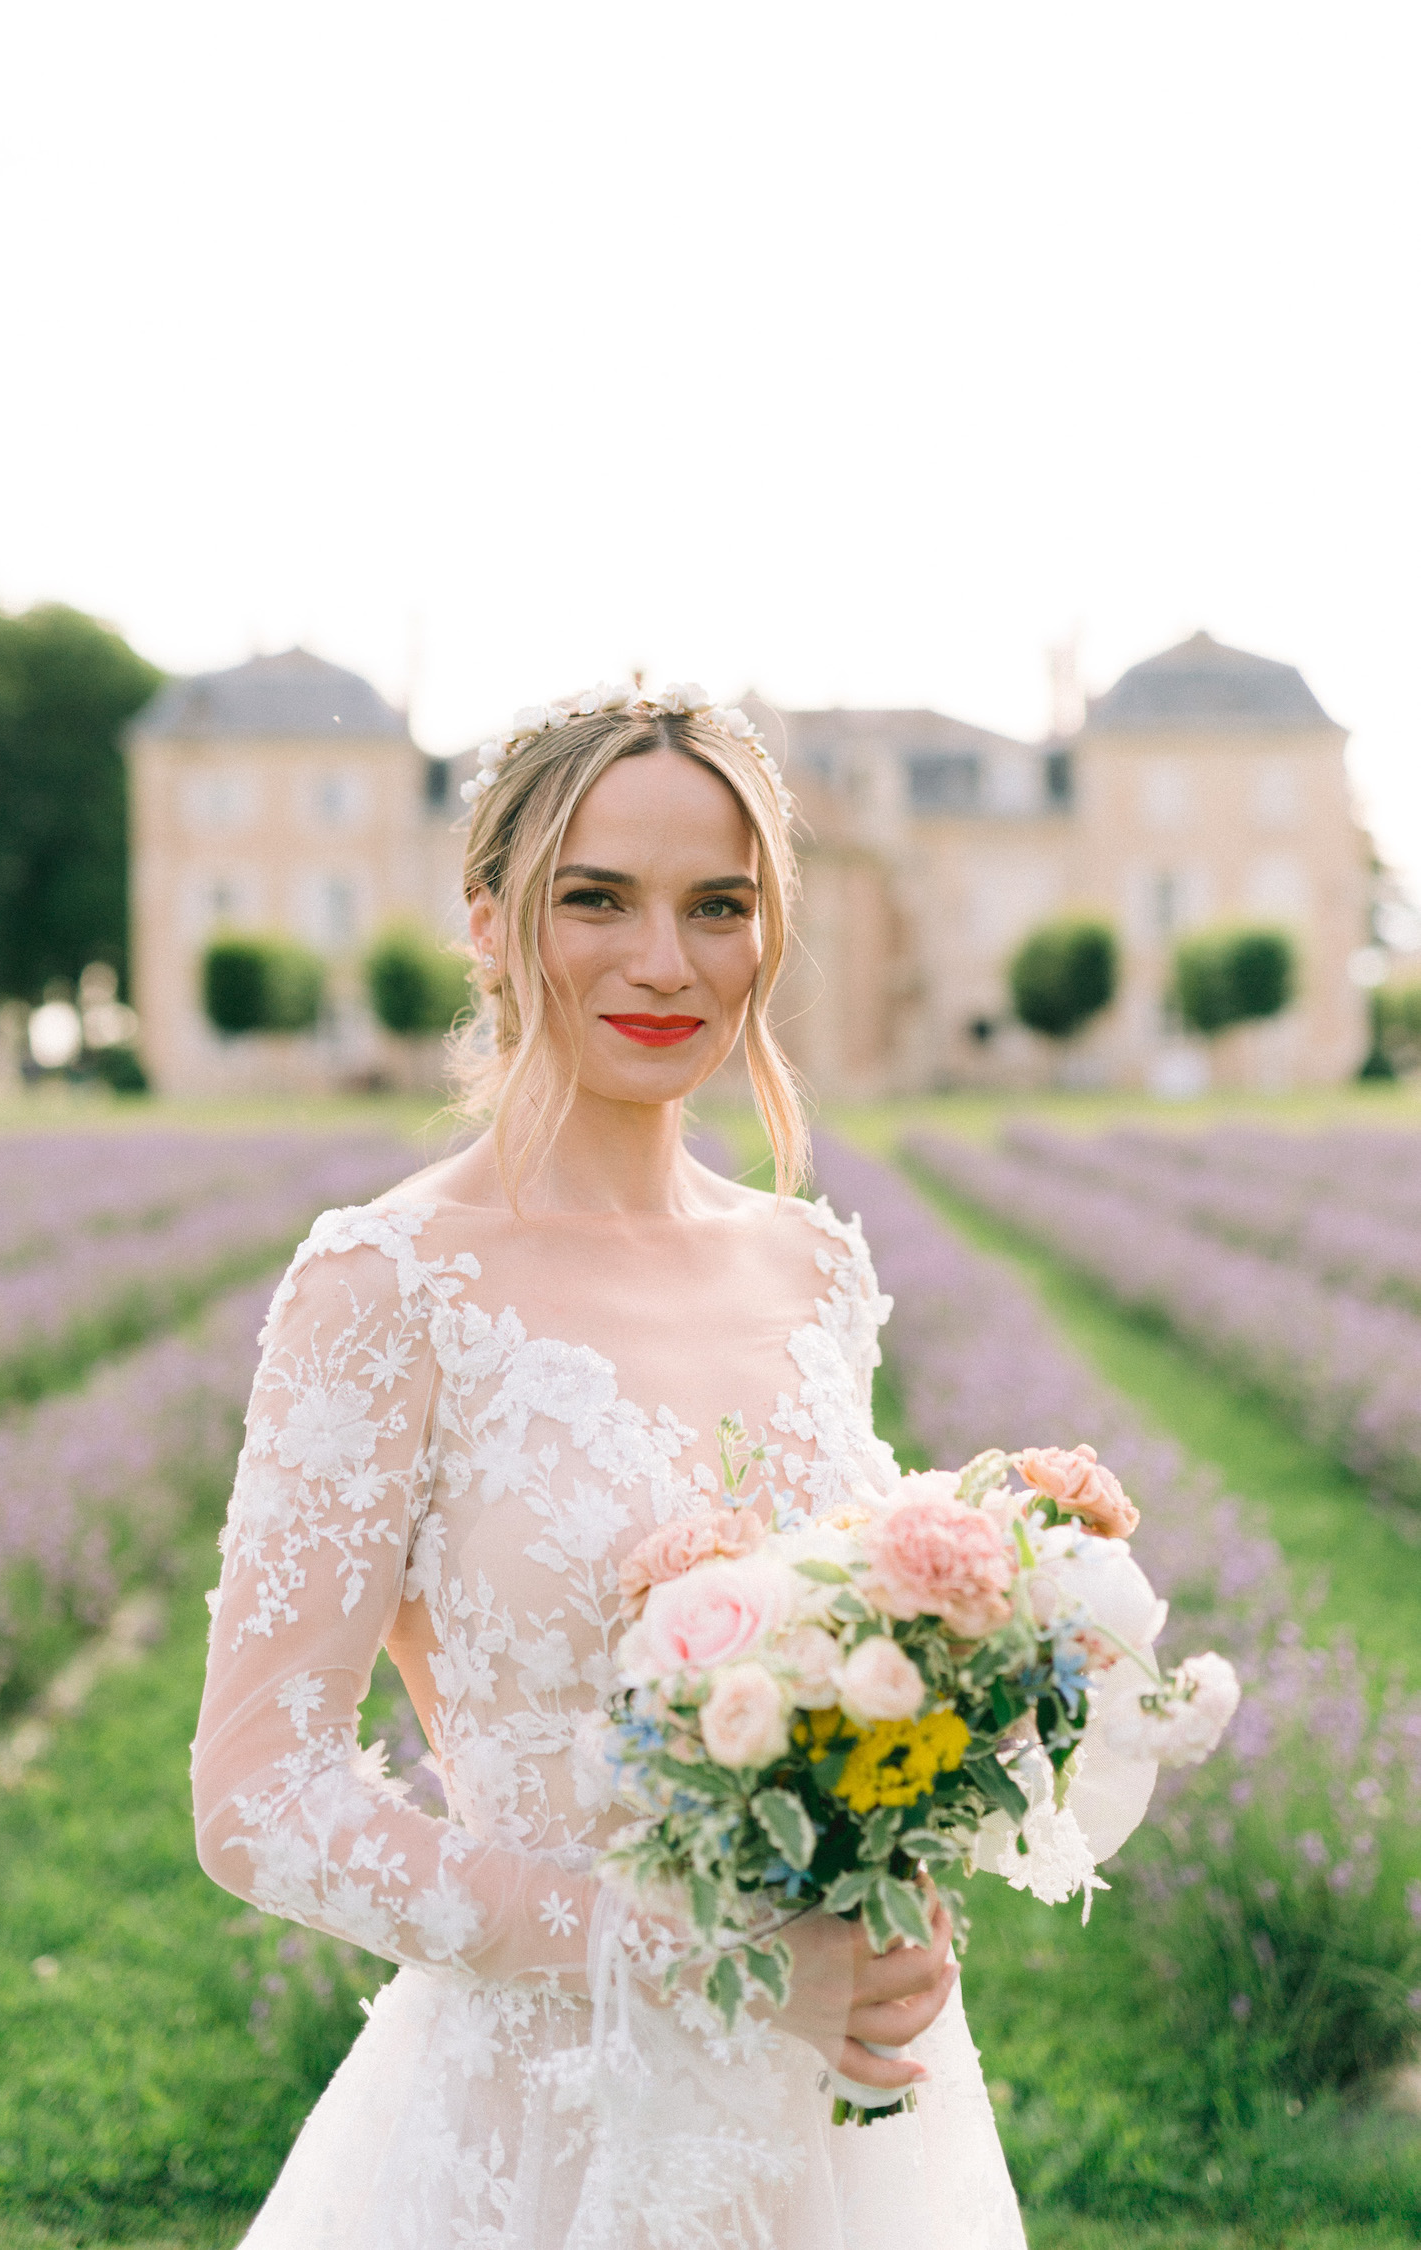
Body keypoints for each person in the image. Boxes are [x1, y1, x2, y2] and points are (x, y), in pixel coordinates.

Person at [190, 684, 1026, 2248]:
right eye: (600, 899)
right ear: (494, 923)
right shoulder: (388, 1285)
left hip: (843, 2122)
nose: (667, 961)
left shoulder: (816, 1271)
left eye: (721, 904)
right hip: (544, 2119)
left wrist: (899, 1902)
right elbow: (256, 1795)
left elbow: (858, 1690)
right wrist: (669, 1948)